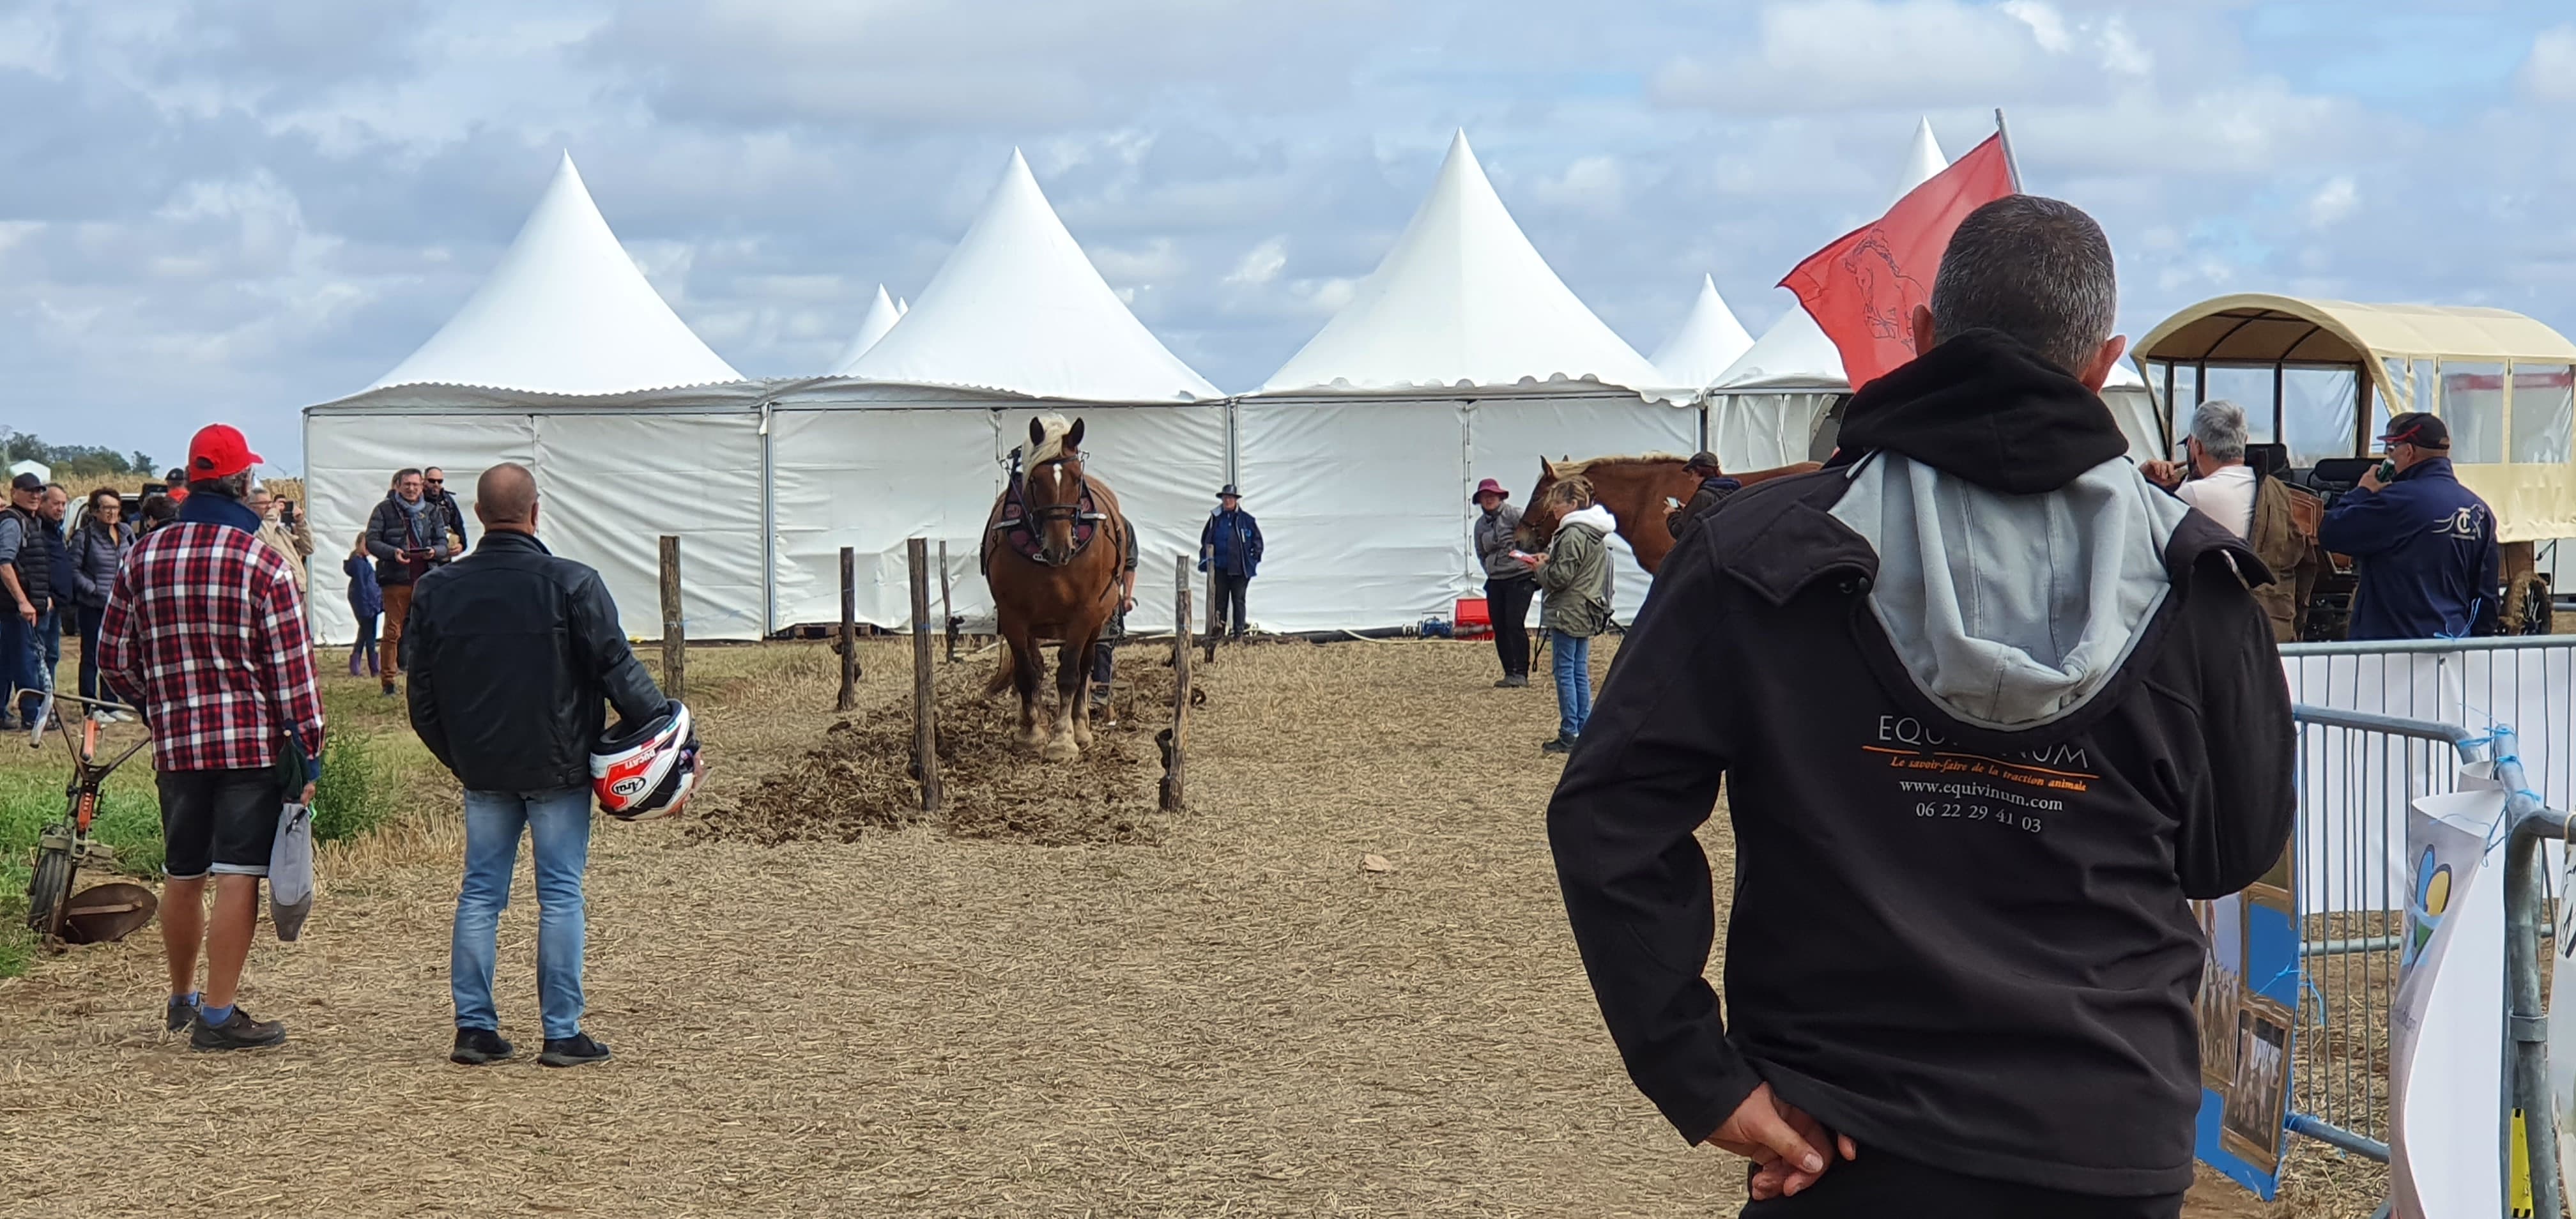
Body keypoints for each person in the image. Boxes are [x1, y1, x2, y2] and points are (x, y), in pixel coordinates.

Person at [1547, 196, 2294, 1214]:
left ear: (1926, 337)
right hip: (2098, 1129)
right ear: (2100, 363)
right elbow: (2231, 851)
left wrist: (1699, 1075)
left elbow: (1611, 812)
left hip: (1843, 1133)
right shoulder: (2199, 584)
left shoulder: (1760, 554)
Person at [407, 463, 671, 1068]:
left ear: (476, 516)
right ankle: (561, 1033)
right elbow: (618, 669)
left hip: (482, 770)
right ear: (535, 512)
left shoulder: (437, 589)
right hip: (560, 767)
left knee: (480, 896)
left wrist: (462, 757)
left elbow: (420, 695)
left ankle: (474, 1030)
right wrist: (668, 732)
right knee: (559, 895)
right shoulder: (573, 583)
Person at [100, 424, 324, 1051]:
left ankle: (181, 998)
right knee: (237, 874)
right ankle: (220, 1016)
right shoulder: (262, 561)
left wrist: (157, 705)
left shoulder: (141, 555)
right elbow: (293, 672)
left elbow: (112, 656)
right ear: (241, 482)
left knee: (183, 870)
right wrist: (308, 750)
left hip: (177, 743)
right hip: (248, 744)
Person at [2318, 411, 2501, 641]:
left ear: (2409, 451)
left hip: (2392, 651)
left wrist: (2363, 491)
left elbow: (2331, 532)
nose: (2387, 456)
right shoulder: (2480, 510)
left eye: (2391, 449)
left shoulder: (2396, 501)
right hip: (2453, 648)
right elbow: (2486, 597)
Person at [2142, 400, 2312, 642]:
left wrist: (2144, 481)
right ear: (2244, 441)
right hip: (2275, 623)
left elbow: (2143, 534)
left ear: (2196, 446)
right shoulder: (2277, 490)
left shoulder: (2194, 494)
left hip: (2218, 629)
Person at [1524, 478, 1614, 754]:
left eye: (1558, 503)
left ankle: (1570, 731)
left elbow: (1561, 578)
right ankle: (1582, 728)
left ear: (1573, 504)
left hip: (1568, 609)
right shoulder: (1592, 532)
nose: (1554, 510)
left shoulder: (1572, 533)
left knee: (1565, 671)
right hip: (1585, 607)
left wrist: (1540, 569)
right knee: (1578, 671)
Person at [366, 468, 454, 696]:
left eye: (416, 484)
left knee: (429, 631)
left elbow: (443, 543)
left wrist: (435, 551)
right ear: (398, 486)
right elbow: (372, 541)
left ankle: (431, 678)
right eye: (407, 485)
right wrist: (392, 552)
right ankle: (389, 681)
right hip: (396, 579)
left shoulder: (432, 511)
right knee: (393, 632)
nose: (412, 489)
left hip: (426, 579)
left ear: (422, 485)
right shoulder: (384, 510)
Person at [66, 487, 137, 716]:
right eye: (106, 508)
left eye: (115, 508)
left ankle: (111, 703)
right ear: (95, 511)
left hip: (119, 605)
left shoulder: (126, 533)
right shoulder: (84, 536)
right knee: (91, 656)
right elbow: (73, 569)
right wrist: (94, 589)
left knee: (113, 654)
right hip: (93, 605)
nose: (112, 512)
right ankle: (90, 705)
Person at [0, 471, 54, 729]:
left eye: (39, 491)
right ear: (14, 492)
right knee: (26, 662)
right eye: (29, 490)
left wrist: (44, 597)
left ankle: (2, 713)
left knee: (8, 661)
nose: (35, 495)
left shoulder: (31, 521)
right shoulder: (13, 521)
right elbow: (4, 563)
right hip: (16, 608)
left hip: (24, 605)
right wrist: (23, 601)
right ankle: (32, 717)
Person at [1472, 478, 1536, 687]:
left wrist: (1535, 563)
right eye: (1485, 496)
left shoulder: (1515, 515)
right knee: (1499, 626)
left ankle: (1521, 673)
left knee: (1514, 623)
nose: (1489, 499)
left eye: (1492, 495)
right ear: (1480, 500)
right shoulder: (1480, 525)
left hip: (1519, 577)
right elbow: (1481, 553)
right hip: (1496, 580)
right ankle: (1509, 672)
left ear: (1500, 497)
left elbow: (1535, 537)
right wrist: (1491, 569)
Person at [1089, 523, 1140, 725]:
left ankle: (1100, 696)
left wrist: (1127, 597)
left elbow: (1129, 564)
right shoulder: (1074, 520)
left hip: (1106, 597)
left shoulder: (1122, 526)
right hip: (1076, 599)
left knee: (1103, 646)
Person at [1199, 485, 1262, 641]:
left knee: (1238, 600)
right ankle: (1219, 632)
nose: (1227, 501)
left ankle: (1238, 633)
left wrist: (1252, 560)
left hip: (1240, 569)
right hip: (1220, 567)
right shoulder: (1215, 519)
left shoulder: (1247, 520)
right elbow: (1205, 538)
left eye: (1230, 498)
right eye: (1225, 498)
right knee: (1220, 600)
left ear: (1235, 500)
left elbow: (1257, 543)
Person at [247, 485, 313, 594]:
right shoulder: (253, 528)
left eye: (270, 503)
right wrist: (272, 514)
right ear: (251, 506)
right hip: (279, 589)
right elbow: (260, 545)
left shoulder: (278, 529)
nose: (269, 507)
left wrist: (301, 522)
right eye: (264, 503)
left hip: (297, 587)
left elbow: (308, 548)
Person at [1665, 452, 1744, 540]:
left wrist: (1672, 514)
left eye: (1691, 473)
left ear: (1700, 471)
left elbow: (1680, 532)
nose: (1691, 479)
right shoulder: (1731, 490)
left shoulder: (1703, 496)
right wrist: (1688, 510)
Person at [345, 532, 383, 679]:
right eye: (366, 544)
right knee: (370, 637)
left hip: (370, 603)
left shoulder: (364, 562)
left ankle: (355, 663)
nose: (369, 548)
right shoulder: (358, 563)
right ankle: (374, 669)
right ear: (359, 544)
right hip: (365, 605)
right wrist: (369, 606)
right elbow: (362, 588)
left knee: (364, 633)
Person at [423, 466, 471, 554]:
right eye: (432, 481)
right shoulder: (417, 499)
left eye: (440, 481)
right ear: (424, 481)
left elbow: (458, 523)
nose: (436, 484)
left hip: (443, 549)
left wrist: (462, 545)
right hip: (423, 549)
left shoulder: (447, 500)